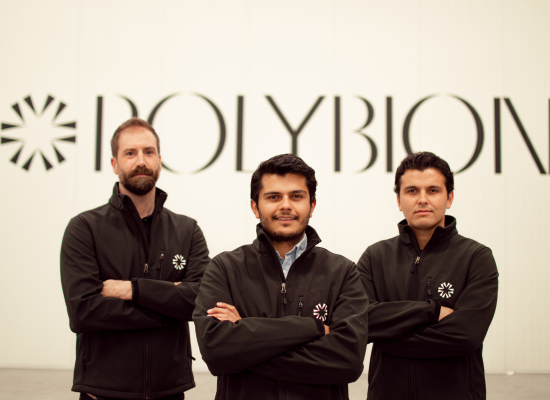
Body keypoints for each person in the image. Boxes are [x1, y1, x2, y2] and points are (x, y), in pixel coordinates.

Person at [193, 154, 369, 400]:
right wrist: (314, 328)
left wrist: (245, 337)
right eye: (273, 197)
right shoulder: (224, 268)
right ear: (255, 207)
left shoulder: (343, 272)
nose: (285, 205)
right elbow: (216, 352)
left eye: (296, 196)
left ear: (312, 205)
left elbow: (348, 361)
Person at [60, 117, 210, 400]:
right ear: (115, 164)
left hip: (169, 390)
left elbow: (199, 300)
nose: (141, 161)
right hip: (102, 391)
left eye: (148, 152)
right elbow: (83, 312)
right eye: (130, 153)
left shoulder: (187, 230)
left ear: (160, 160)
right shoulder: (85, 228)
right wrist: (169, 308)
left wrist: (131, 290)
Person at [358, 151, 498, 400]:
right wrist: (431, 311)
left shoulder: (476, 257)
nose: (422, 199)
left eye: (433, 190)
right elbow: (361, 322)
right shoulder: (375, 257)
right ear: (399, 201)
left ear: (449, 198)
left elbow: (466, 335)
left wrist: (387, 334)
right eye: (412, 191)